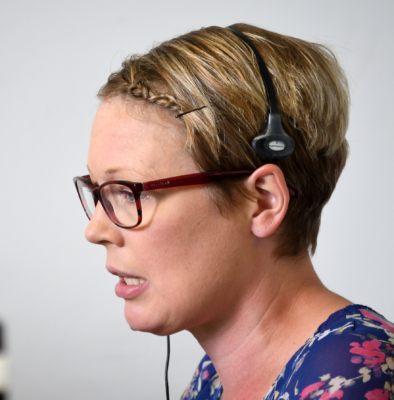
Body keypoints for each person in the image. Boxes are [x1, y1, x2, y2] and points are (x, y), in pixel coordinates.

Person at [73, 23, 394, 400]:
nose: (95, 230)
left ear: (262, 202)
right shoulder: (213, 376)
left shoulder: (357, 378)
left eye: (128, 192)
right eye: (98, 191)